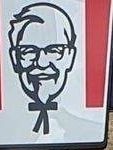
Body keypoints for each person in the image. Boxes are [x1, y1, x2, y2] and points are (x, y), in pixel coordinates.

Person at [8, 2, 77, 135]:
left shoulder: (87, 124)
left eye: (54, 50)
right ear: (15, 58)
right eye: (29, 51)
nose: (42, 63)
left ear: (70, 56)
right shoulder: (10, 128)